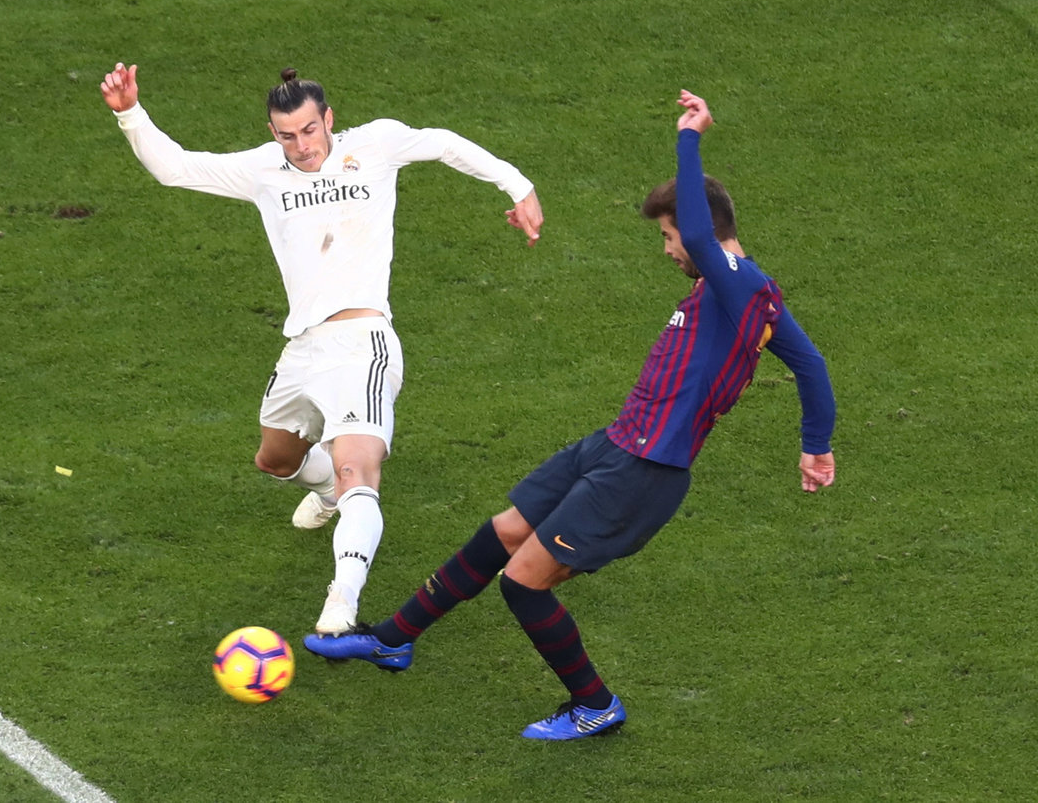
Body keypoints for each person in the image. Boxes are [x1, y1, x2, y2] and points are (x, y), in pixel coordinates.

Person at [303, 90, 837, 740]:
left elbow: (704, 239)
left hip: (646, 471)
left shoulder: (737, 281)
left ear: (701, 230)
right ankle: (393, 639)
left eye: (669, 236)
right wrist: (816, 446)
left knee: (523, 584)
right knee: (501, 533)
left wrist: (690, 136)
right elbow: (811, 366)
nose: (669, 249)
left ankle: (595, 704)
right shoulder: (742, 293)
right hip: (615, 444)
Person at [99, 64, 544, 635]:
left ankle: (342, 601)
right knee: (276, 460)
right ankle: (330, 490)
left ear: (328, 119)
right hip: (303, 348)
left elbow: (443, 143)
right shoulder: (264, 169)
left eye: (310, 130)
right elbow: (175, 168)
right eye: (288, 135)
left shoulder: (374, 145)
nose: (302, 145)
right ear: (273, 132)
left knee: (358, 469)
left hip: (363, 343)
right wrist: (129, 113)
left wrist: (518, 186)